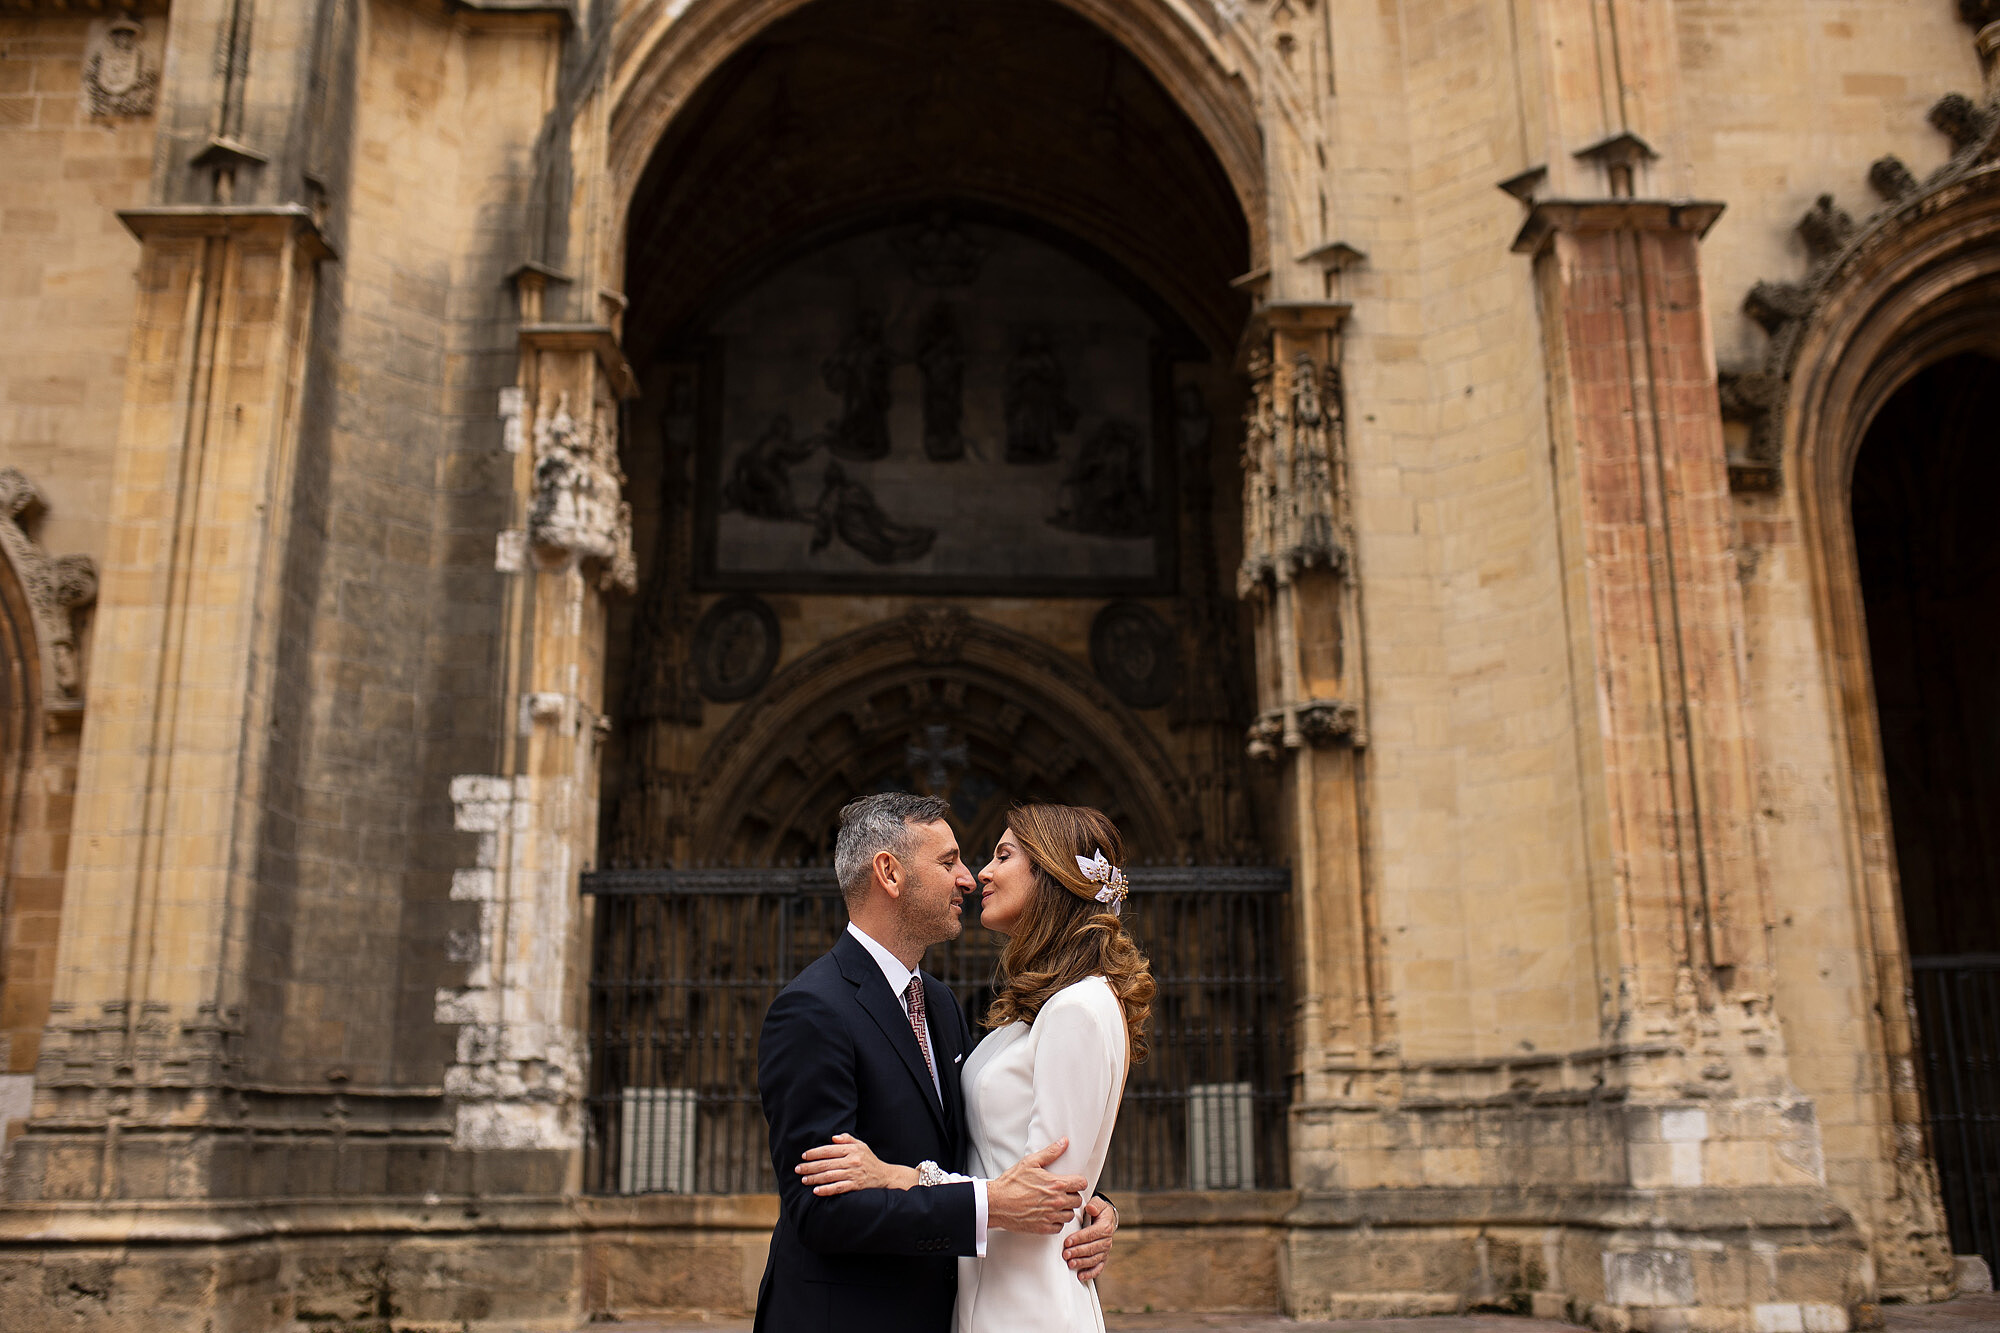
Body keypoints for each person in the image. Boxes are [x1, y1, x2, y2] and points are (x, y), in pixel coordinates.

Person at [753, 793, 1123, 1333]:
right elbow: (821, 1211)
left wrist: (1085, 1201)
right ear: (890, 873)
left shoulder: (941, 1004)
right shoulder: (813, 1010)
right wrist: (995, 1204)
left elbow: (987, 1142)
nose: (969, 878)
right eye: (949, 862)